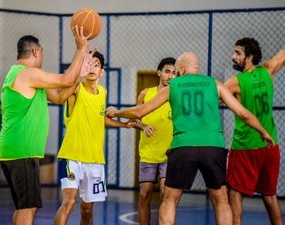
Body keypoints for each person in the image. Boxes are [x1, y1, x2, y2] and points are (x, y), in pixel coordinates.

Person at [106, 51, 275, 225]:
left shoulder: (174, 86)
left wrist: (116, 112)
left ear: (181, 68)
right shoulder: (214, 84)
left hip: (183, 146)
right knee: (221, 200)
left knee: (170, 199)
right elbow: (243, 113)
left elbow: (139, 111)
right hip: (213, 146)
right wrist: (263, 131)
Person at [0, 26, 90, 225]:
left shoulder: (25, 77)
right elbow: (65, 80)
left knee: (24, 207)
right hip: (21, 150)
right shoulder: (27, 74)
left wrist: (78, 76)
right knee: (27, 208)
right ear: (36, 52)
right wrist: (81, 48)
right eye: (42, 52)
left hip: (15, 148)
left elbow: (59, 97)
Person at [53, 51, 135, 225]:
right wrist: (77, 73)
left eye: (96, 65)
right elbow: (61, 89)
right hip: (71, 156)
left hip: (95, 159)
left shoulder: (102, 93)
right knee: (68, 203)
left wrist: (123, 124)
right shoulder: (76, 88)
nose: (92, 68)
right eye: (89, 64)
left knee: (87, 210)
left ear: (102, 72)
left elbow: (99, 118)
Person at [225, 37, 284, 225]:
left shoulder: (235, 81)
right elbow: (283, 54)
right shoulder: (268, 70)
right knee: (270, 196)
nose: (233, 56)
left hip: (245, 147)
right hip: (270, 146)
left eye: (238, 53)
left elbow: (212, 97)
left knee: (235, 195)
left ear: (249, 57)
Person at [135, 57, 176, 225]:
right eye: (167, 71)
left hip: (169, 153)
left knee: (166, 195)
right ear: (159, 72)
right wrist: (143, 126)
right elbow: (135, 120)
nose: (170, 76)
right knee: (145, 194)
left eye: (174, 73)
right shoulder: (146, 93)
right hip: (148, 152)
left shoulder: (177, 96)